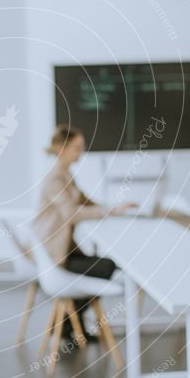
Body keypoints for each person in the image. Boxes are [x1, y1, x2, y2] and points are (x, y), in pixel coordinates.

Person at [33, 125, 137, 342]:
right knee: (106, 266)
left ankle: (68, 324)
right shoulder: (55, 177)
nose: (82, 151)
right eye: (77, 147)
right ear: (62, 148)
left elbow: (83, 200)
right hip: (55, 256)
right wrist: (110, 211)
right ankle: (69, 326)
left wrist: (114, 209)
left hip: (63, 249)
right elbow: (71, 213)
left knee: (104, 265)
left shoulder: (63, 173)